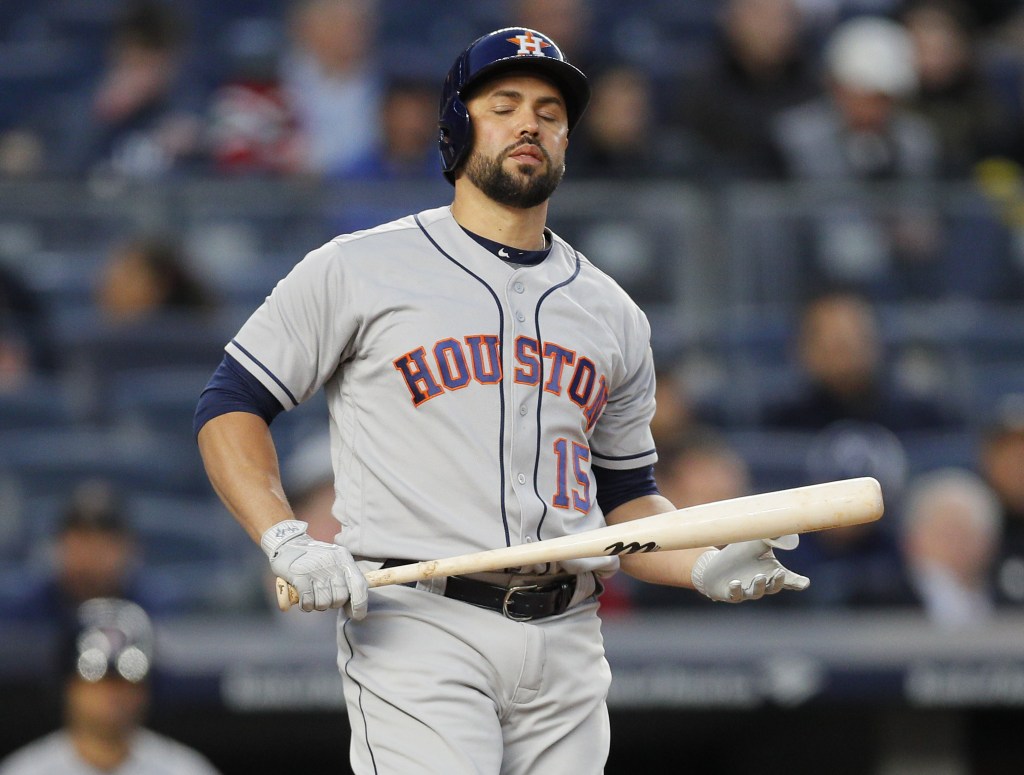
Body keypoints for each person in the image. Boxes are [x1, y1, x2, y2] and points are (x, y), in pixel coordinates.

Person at [194, 27, 811, 774]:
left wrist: (700, 560)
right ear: (457, 126)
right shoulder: (359, 267)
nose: (531, 123)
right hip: (420, 623)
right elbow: (231, 402)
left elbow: (627, 502)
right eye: (505, 104)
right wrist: (284, 537)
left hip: (570, 637)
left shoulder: (612, 312)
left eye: (551, 113)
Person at [0, 597, 221, 775]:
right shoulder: (24, 770)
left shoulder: (186, 770)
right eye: (98, 679)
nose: (112, 694)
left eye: (126, 681)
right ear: (68, 686)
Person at [760, 290, 959, 434]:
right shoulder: (781, 427)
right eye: (833, 343)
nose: (846, 352)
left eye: (855, 338)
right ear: (803, 349)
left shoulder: (924, 419)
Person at [897, 467, 1004, 628]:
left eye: (968, 534)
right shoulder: (883, 598)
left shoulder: (1008, 595)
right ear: (913, 540)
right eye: (946, 533)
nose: (957, 545)